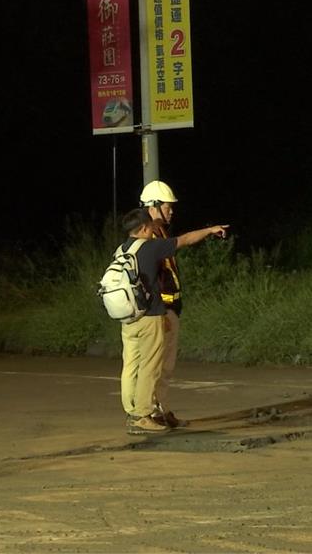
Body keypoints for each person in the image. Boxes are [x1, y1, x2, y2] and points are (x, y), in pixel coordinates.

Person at [118, 207, 229, 434]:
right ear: (143, 228)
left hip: (129, 318)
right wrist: (209, 230)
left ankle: (132, 411)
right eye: (150, 226)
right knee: (150, 367)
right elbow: (185, 240)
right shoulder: (151, 247)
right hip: (149, 317)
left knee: (131, 366)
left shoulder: (122, 250)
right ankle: (142, 416)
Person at [139, 180, 186, 428]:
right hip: (161, 311)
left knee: (166, 365)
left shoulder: (161, 232)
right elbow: (151, 279)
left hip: (171, 308)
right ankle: (152, 412)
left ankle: (162, 409)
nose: (171, 211)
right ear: (154, 206)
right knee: (157, 365)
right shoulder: (149, 236)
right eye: (168, 206)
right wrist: (162, 312)